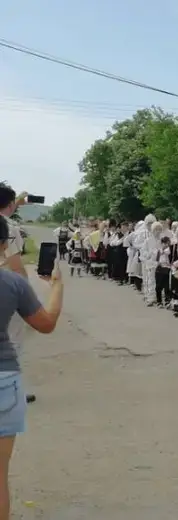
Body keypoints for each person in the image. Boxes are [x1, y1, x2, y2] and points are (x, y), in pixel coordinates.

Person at [0, 214, 63, 520]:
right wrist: (57, 288)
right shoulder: (12, 284)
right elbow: (46, 324)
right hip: (4, 378)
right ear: (3, 245)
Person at [0, 186, 37, 406]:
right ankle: (11, 389)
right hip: (5, 288)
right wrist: (27, 295)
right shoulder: (8, 227)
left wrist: (17, 203)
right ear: (11, 204)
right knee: (12, 342)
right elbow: (15, 265)